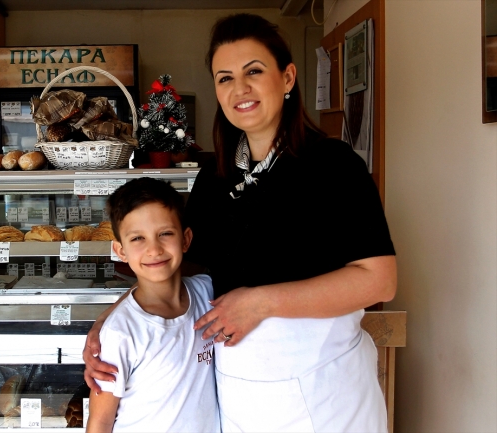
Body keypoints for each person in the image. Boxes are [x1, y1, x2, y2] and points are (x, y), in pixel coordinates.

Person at [84, 13, 396, 433]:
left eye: (254, 71)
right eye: (225, 78)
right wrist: (110, 321)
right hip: (239, 396)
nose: (240, 89)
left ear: (287, 78)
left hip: (326, 391)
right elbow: (176, 264)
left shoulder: (333, 165)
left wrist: (262, 302)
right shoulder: (215, 177)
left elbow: (379, 281)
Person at [85, 177, 220, 433]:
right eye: (137, 239)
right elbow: (100, 420)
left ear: (186, 239)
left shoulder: (207, 293)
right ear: (120, 251)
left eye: (165, 233)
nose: (154, 249)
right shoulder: (120, 332)